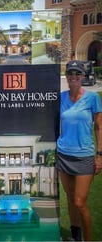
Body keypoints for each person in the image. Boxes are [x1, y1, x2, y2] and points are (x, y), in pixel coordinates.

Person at [55, 60, 102, 241]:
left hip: (84, 157)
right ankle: (76, 236)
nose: (73, 76)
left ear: (83, 76)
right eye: (70, 73)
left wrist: (100, 155)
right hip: (64, 155)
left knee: (80, 202)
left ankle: (88, 239)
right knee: (70, 198)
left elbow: (99, 127)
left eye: (77, 73)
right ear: (66, 76)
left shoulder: (92, 98)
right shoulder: (62, 97)